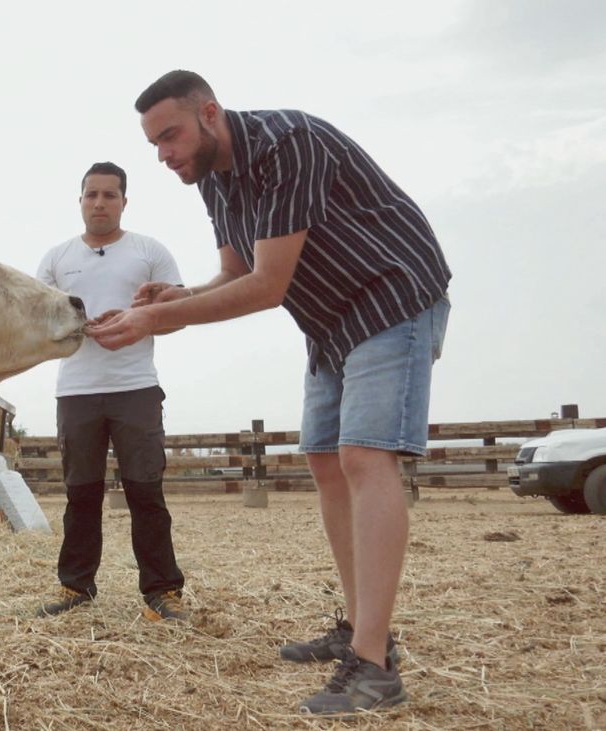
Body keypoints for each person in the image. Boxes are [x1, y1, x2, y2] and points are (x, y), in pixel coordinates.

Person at [88, 71, 451, 715]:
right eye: (154, 144)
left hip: (392, 295)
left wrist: (155, 319)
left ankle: (375, 668)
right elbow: (234, 274)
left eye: (170, 135)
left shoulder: (288, 143)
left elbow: (267, 287)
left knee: (365, 457)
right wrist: (176, 298)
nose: (164, 154)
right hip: (330, 318)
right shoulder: (213, 178)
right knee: (324, 460)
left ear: (209, 114)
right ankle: (362, 628)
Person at [35, 161, 188, 623]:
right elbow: (39, 323)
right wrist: (82, 326)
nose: (99, 203)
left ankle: (162, 592)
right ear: (80, 200)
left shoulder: (149, 252)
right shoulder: (56, 259)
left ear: (124, 201)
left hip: (135, 388)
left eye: (109, 195)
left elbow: (181, 315)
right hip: (77, 391)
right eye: (92, 194)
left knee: (146, 492)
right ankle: (75, 586)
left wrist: (141, 318)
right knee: (81, 494)